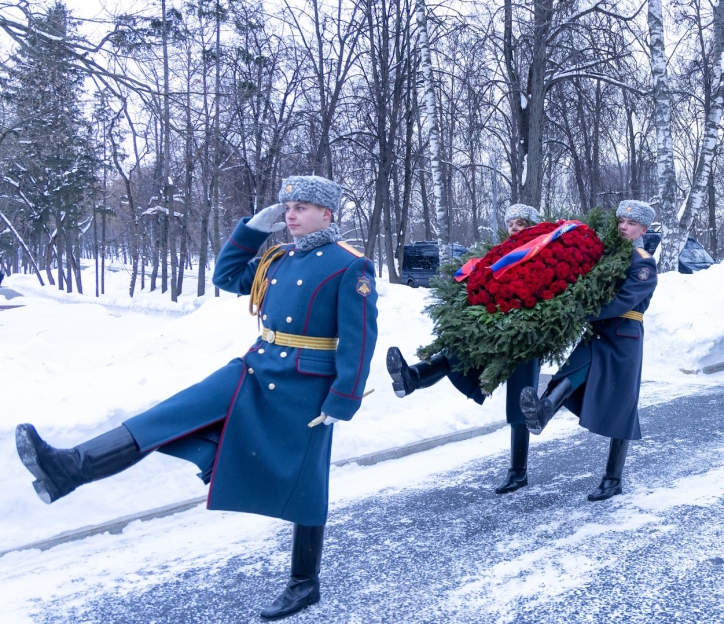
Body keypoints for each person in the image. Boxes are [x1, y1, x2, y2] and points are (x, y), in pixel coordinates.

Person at [15, 176, 379, 621]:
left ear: (328, 213)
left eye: (302, 206)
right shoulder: (280, 257)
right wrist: (252, 231)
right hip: (256, 365)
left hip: (305, 385)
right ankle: (70, 468)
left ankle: (304, 583)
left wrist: (343, 398)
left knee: (306, 483)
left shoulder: (349, 265)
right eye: (287, 206)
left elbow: (359, 339)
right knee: (172, 414)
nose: (291, 213)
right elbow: (226, 277)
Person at [386, 203, 542, 495]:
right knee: (454, 351)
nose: (514, 228)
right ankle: (411, 379)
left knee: (522, 402)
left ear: (534, 225)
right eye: (510, 223)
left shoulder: (545, 253)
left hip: (525, 336)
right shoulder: (499, 254)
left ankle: (518, 472)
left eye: (521, 223)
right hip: (490, 327)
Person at [519, 200, 657, 501]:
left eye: (631, 224)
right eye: (621, 220)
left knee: (623, 406)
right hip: (597, 331)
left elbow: (624, 300)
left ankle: (613, 479)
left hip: (624, 335)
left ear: (642, 230)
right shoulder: (604, 255)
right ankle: (542, 413)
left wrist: (578, 312)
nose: (623, 226)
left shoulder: (643, 261)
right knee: (572, 370)